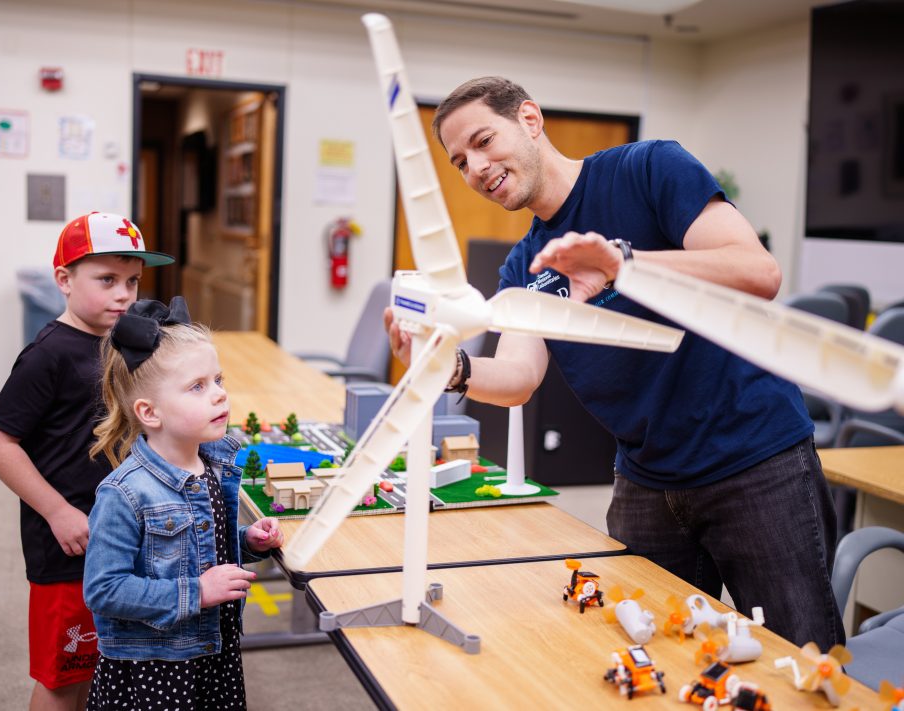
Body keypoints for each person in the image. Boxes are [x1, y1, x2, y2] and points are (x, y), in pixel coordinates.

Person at [386, 76, 844, 649]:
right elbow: (519, 380)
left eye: (483, 141)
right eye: (459, 162)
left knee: (803, 657)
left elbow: (758, 273)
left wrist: (625, 265)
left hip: (753, 462)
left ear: (529, 119)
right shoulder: (524, 265)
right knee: (655, 651)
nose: (475, 167)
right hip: (647, 481)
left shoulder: (650, 168)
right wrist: (445, 366)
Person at [0, 212, 174, 711]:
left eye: (132, 281)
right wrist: (57, 511)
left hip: (119, 535)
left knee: (108, 665)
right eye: (106, 280)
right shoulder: (48, 354)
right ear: (64, 279)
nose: (124, 295)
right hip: (67, 547)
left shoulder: (119, 345)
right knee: (65, 679)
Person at [83, 297, 284, 711]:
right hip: (157, 666)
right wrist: (197, 592)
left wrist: (248, 542)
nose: (219, 395)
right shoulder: (124, 493)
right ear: (149, 413)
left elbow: (197, 546)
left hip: (214, 650)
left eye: (218, 380)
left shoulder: (212, 465)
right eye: (197, 386)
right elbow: (103, 589)